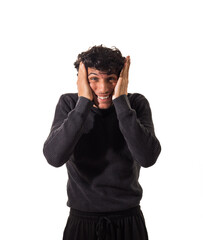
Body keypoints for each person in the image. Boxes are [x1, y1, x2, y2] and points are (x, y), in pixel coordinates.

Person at [42, 44, 161, 240]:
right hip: (81, 222)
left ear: (121, 80)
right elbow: (54, 157)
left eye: (111, 79)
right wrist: (83, 103)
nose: (103, 88)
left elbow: (147, 158)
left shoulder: (136, 104)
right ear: (81, 81)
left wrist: (122, 100)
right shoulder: (70, 104)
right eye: (94, 79)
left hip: (128, 221)